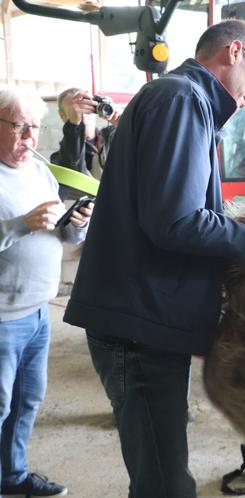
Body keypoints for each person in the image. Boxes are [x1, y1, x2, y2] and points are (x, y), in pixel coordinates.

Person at [63, 20, 245, 498]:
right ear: (234, 52)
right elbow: (177, 223)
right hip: (136, 326)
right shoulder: (181, 100)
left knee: (162, 473)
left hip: (146, 318)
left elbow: (174, 217)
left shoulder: (184, 103)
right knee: (164, 482)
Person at [0, 85, 92, 497]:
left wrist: (77, 223)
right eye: (19, 127)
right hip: (2, 317)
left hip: (38, 313)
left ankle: (12, 477)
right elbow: (25, 227)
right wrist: (21, 224)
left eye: (35, 127)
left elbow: (63, 238)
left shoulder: (38, 169)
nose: (29, 139)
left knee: (26, 402)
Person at [50, 88, 119, 183]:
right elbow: (73, 162)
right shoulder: (60, 158)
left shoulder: (115, 135)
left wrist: (124, 120)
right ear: (62, 115)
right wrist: (74, 124)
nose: (82, 111)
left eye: (87, 104)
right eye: (74, 108)